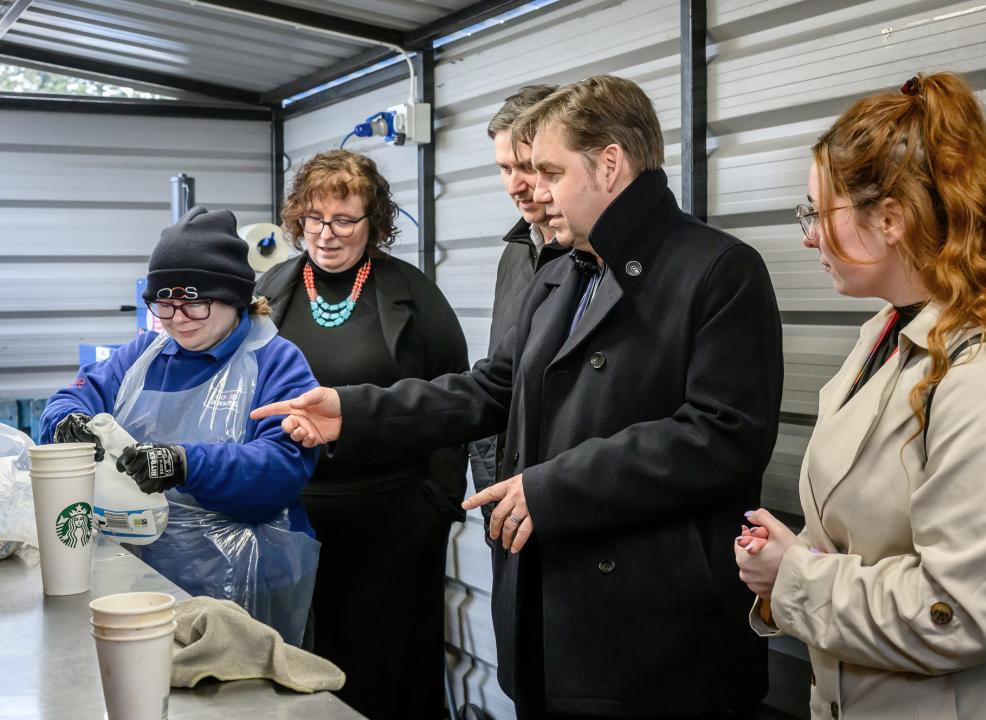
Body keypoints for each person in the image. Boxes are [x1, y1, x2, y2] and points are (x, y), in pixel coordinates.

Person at [254, 75, 784, 719]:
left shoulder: (718, 270)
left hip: (657, 635)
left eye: (551, 172)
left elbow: (724, 434)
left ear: (609, 164)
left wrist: (553, 488)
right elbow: (491, 387)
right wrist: (356, 410)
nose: (533, 190)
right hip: (549, 608)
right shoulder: (559, 272)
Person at [735, 72, 986, 719]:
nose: (808, 235)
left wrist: (792, 578)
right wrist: (792, 556)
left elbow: (965, 614)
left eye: (816, 212)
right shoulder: (885, 333)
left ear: (891, 219)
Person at [41, 206, 322, 646]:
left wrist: (186, 463)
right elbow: (70, 398)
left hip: (244, 577)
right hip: (141, 571)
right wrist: (65, 423)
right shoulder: (142, 356)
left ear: (233, 297)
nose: (177, 318)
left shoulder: (276, 361)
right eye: (163, 304)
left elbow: (283, 465)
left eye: (194, 302)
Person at [254, 149, 468, 720]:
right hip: (292, 518)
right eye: (314, 218)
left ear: (373, 223)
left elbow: (458, 402)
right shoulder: (269, 293)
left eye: (344, 220)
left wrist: (438, 501)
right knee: (302, 666)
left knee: (390, 673)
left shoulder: (412, 295)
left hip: (394, 521)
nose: (326, 234)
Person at [470, 84, 567, 517]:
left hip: (561, 501)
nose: (516, 185)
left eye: (527, 166)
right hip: (507, 501)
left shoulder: (598, 256)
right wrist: (491, 485)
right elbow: (500, 383)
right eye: (504, 168)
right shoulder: (515, 252)